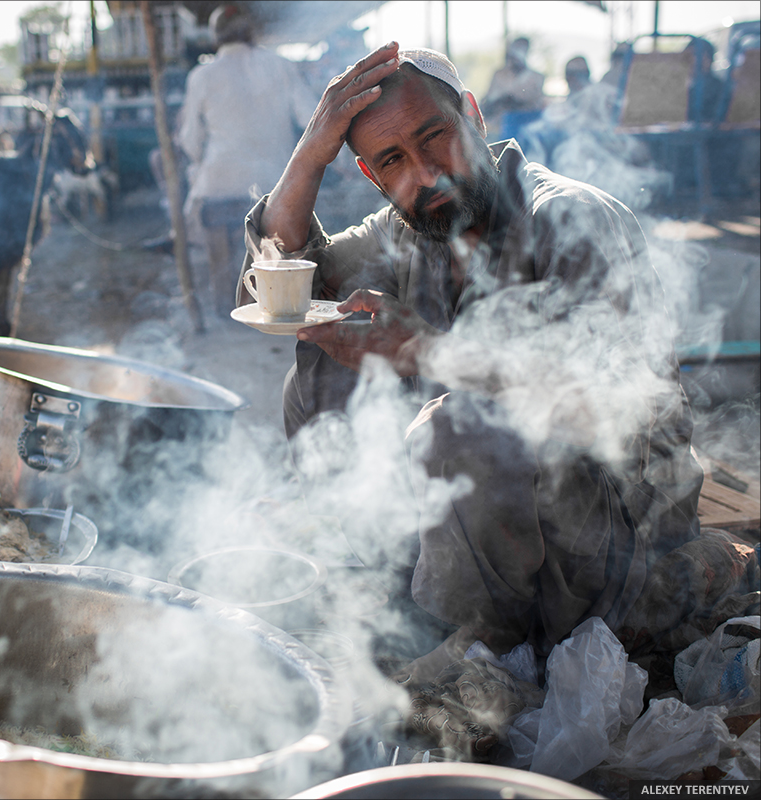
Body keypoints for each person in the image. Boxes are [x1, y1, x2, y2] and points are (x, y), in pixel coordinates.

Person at [236, 44, 710, 677]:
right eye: (394, 161)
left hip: (618, 535)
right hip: (492, 531)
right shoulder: (411, 228)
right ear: (374, 177)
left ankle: (489, 648)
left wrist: (431, 353)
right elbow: (275, 289)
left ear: (475, 118)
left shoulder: (570, 218)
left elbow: (616, 409)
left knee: (459, 426)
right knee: (319, 369)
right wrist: (308, 156)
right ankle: (403, 581)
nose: (427, 174)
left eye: (437, 138)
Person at [177, 2, 315, 317]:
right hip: (274, 184)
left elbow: (189, 141)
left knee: (218, 256)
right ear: (251, 33)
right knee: (276, 259)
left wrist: (200, 161)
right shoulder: (280, 66)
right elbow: (311, 119)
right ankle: (277, 310)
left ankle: (225, 312)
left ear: (214, 38)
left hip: (220, 182)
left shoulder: (202, 75)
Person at [480, 37, 546, 139]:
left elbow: (531, 102)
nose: (516, 54)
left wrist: (508, 98)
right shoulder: (499, 75)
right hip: (497, 121)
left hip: (525, 122)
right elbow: (488, 100)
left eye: (521, 50)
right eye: (515, 49)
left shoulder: (536, 77)